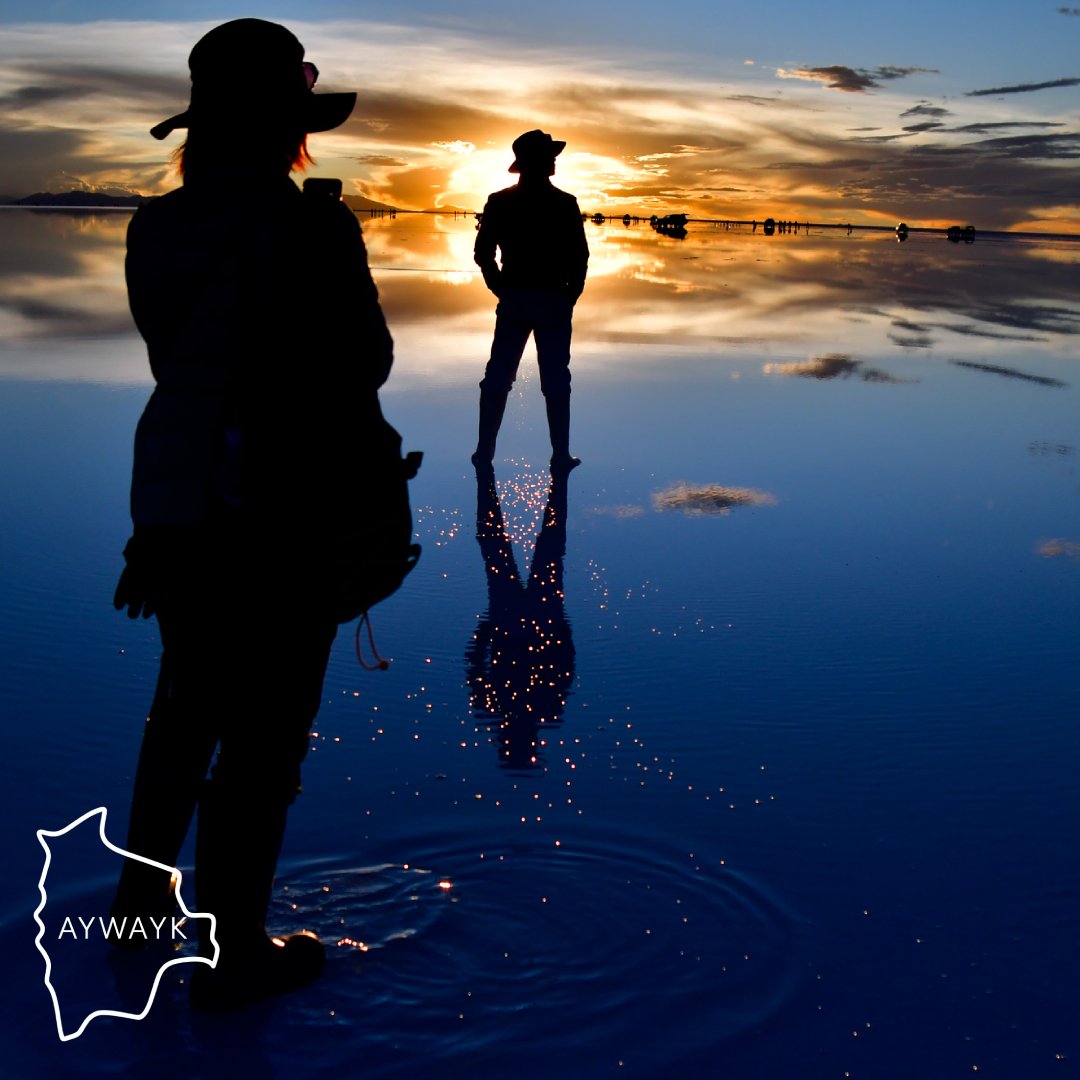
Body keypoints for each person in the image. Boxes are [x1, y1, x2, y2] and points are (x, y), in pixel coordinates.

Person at [110, 18, 394, 1010]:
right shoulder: (312, 225)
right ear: (286, 127)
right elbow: (363, 364)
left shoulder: (156, 226)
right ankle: (234, 960)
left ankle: (138, 918)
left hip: (177, 501)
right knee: (265, 739)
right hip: (285, 510)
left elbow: (175, 358)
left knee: (185, 707)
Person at [472, 130, 589, 472]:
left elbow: (483, 254)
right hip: (544, 298)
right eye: (549, 156)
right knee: (549, 376)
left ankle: (486, 451)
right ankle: (559, 455)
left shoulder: (502, 201)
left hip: (530, 297)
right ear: (535, 162)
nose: (555, 161)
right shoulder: (562, 203)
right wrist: (570, 294)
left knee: (501, 375)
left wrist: (501, 287)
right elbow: (580, 257)